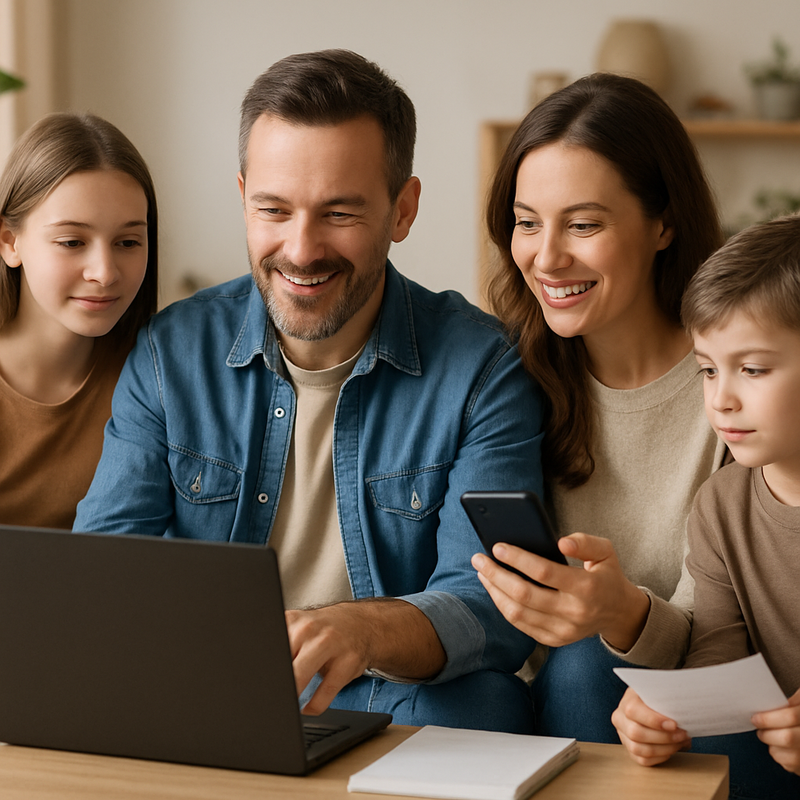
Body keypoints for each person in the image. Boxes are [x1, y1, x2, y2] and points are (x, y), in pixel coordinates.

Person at [74, 49, 543, 732]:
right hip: (208, 688)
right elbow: (103, 569)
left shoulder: (481, 366)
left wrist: (363, 631)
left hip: (384, 694)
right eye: (273, 209)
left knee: (488, 702)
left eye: (339, 213)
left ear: (402, 209)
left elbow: (492, 609)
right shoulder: (170, 353)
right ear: (243, 200)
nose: (300, 248)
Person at [471, 72, 728, 741]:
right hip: (554, 704)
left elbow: (727, 638)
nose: (547, 257)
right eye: (527, 223)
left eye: (583, 224)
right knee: (574, 668)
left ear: (664, 222)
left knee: (587, 664)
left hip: (717, 695)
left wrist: (622, 614)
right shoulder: (503, 378)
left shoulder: (737, 380)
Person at [612, 214, 800, 799]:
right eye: (707, 370)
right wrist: (668, 711)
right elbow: (719, 648)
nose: (721, 399)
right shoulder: (721, 504)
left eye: (753, 369)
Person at [0, 112, 158, 529]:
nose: (104, 272)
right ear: (9, 242)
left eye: (128, 242)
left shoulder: (160, 375)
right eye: (72, 241)